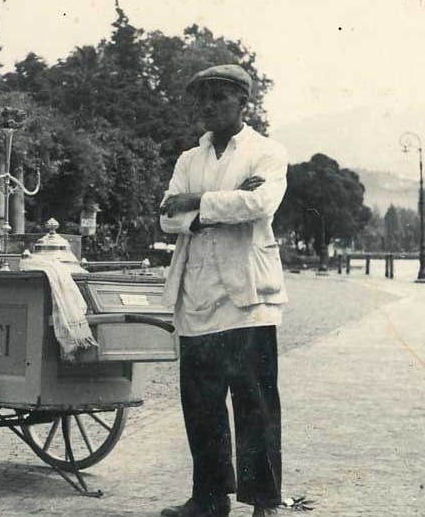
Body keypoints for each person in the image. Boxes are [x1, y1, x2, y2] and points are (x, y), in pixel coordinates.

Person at [158, 64, 288, 517]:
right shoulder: (188, 160)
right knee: (201, 403)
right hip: (197, 295)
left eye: (219, 97)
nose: (209, 106)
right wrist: (225, 200)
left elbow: (260, 203)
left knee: (254, 401)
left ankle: (264, 501)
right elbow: (164, 217)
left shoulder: (266, 153)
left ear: (242, 103)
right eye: (203, 98)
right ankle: (209, 499)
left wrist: (196, 202)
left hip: (249, 296)